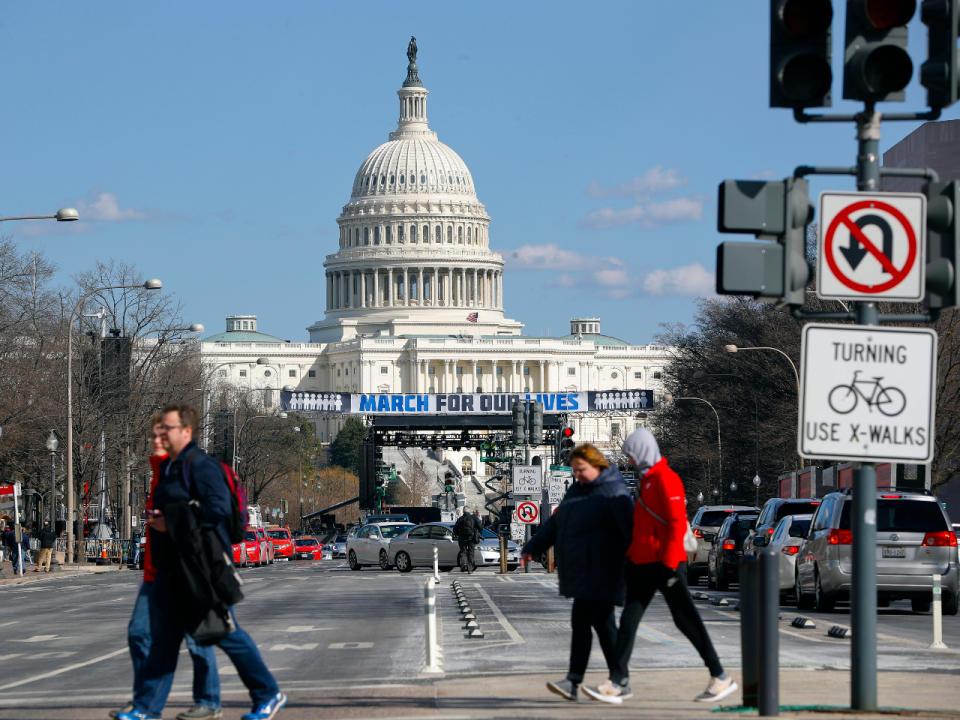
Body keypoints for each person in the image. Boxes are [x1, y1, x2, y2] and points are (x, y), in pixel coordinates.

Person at [117, 403, 285, 720]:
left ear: (186, 431)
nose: (160, 433)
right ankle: (146, 708)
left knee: (224, 634)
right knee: (164, 643)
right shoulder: (172, 468)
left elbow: (218, 511)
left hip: (201, 569)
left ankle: (267, 692)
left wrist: (171, 521)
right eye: (159, 429)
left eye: (166, 428)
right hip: (174, 569)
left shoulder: (202, 467)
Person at [582, 428, 737, 705]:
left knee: (686, 619)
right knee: (629, 621)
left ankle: (719, 675)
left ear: (642, 451)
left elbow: (677, 523)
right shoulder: (649, 481)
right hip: (644, 563)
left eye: (632, 454)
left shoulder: (666, 479)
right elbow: (645, 528)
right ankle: (618, 681)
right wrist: (630, 557)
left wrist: (668, 564)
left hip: (665, 564)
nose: (630, 460)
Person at [111, 414, 222, 720]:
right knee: (139, 634)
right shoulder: (159, 472)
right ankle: (145, 703)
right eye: (154, 436)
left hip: (189, 570)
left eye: (163, 436)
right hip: (156, 571)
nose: (156, 441)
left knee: (197, 639)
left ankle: (208, 701)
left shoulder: (191, 470)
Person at [520, 443, 633, 702]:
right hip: (585, 569)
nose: (578, 475)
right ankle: (588, 679)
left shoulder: (613, 492)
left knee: (597, 624)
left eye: (581, 469)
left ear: (596, 465)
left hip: (605, 570)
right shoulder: (578, 489)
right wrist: (533, 546)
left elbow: (628, 533)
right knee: (590, 624)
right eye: (575, 471)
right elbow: (557, 523)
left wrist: (629, 569)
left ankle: (611, 679)